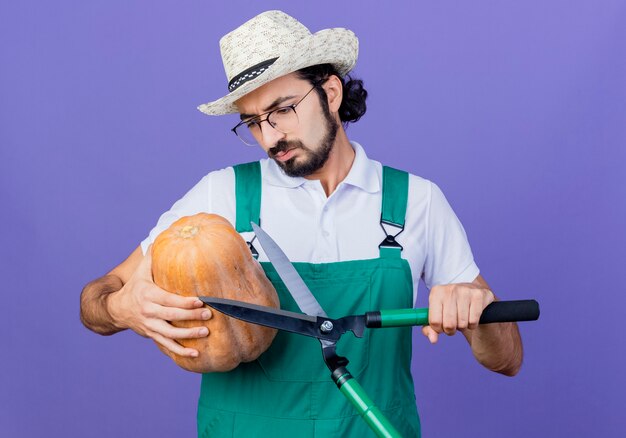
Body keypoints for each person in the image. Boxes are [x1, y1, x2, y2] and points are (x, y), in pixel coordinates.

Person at [80, 10, 523, 437]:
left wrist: (474, 313)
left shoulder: (417, 203)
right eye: (253, 123)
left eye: (283, 109)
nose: (270, 137)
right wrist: (120, 308)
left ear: (330, 92)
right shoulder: (220, 198)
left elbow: (507, 359)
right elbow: (95, 301)